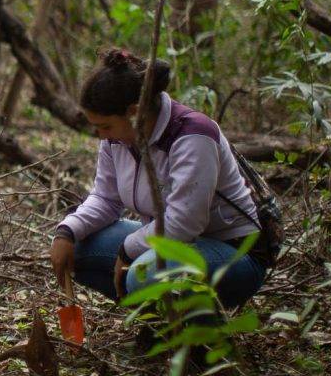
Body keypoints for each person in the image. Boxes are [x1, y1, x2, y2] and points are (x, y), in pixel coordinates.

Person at [50, 48, 268, 316]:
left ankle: (199, 329)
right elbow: (105, 198)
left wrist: (128, 250)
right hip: (174, 244)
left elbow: (184, 222)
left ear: (134, 112)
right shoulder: (116, 140)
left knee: (142, 274)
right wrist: (67, 231)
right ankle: (158, 321)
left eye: (105, 126)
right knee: (79, 248)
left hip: (235, 254)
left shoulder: (192, 135)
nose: (101, 135)